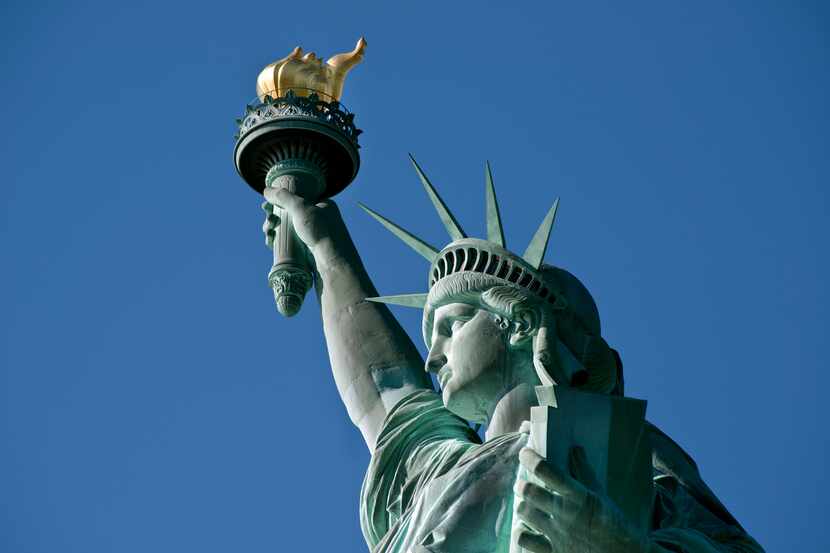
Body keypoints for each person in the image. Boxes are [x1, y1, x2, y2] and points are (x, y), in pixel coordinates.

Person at [260, 171, 763, 553]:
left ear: (518, 322)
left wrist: (615, 544)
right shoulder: (444, 472)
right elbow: (385, 385)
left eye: (451, 326)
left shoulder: (626, 446)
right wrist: (322, 243)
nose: (432, 357)